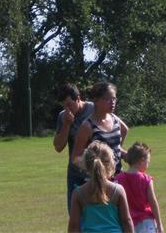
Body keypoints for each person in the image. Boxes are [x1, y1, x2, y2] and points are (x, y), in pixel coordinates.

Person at [68, 141, 134, 233]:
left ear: (86, 165)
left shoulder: (78, 193)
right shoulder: (118, 190)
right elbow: (126, 221)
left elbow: (73, 226)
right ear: (110, 164)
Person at [54, 83, 96, 212]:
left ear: (78, 98)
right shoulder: (63, 116)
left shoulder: (94, 109)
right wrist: (66, 125)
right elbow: (58, 146)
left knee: (95, 212)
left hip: (95, 172)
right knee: (74, 213)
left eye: (69, 105)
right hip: (75, 173)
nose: (67, 109)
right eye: (64, 106)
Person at [72, 82, 129, 177]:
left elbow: (124, 131)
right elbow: (75, 158)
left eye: (114, 98)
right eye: (108, 99)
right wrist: (95, 168)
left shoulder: (114, 118)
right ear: (96, 100)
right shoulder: (87, 126)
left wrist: (124, 154)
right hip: (100, 181)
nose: (112, 102)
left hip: (119, 177)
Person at [114, 142, 164, 233]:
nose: (148, 165)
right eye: (148, 162)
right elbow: (153, 202)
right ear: (142, 160)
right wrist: (159, 224)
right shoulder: (146, 179)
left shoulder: (118, 179)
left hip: (126, 222)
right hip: (146, 222)